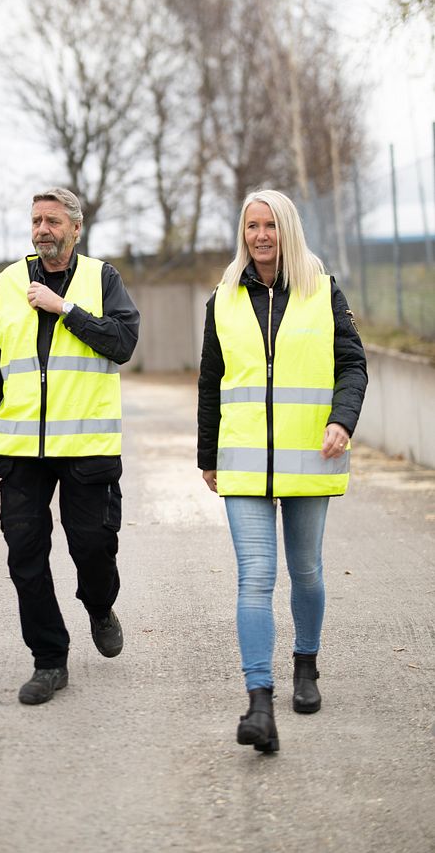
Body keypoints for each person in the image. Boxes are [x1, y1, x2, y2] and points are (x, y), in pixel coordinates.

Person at [198, 189, 367, 753]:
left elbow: (352, 365)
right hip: (244, 460)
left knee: (308, 571)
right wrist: (207, 455)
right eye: (252, 226)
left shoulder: (322, 290)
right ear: (242, 233)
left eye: (270, 225)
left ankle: (306, 665)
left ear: (286, 229)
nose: (260, 236)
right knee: (254, 577)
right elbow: (210, 381)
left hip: (307, 456)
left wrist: (342, 421)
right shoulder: (222, 297)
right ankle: (259, 703)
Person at [0, 188, 140, 705]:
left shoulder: (102, 280)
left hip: (86, 446)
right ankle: (48, 660)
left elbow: (123, 345)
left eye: (53, 221)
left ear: (75, 229)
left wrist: (66, 310)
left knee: (93, 547)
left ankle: (100, 606)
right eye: (36, 220)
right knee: (25, 556)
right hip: (20, 448)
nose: (42, 229)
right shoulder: (10, 281)